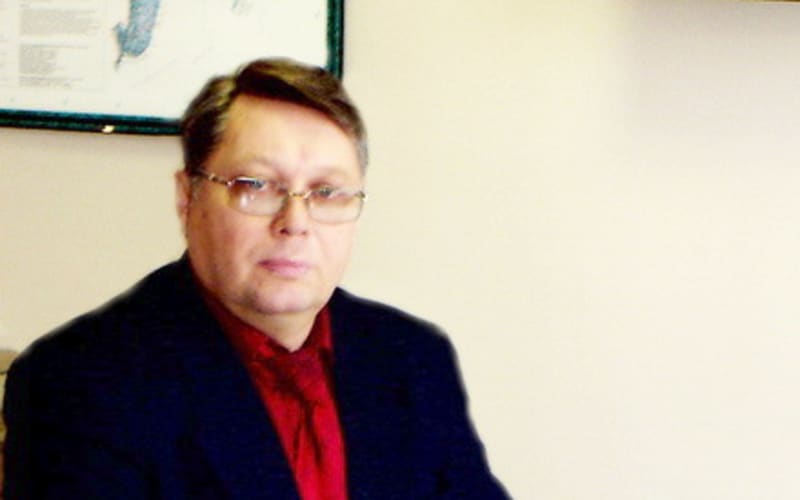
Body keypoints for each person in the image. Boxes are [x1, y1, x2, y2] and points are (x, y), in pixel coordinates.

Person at [3, 58, 509, 499]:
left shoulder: (412, 357)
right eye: (257, 186)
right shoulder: (78, 383)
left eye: (327, 192)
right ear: (188, 198)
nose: (295, 222)